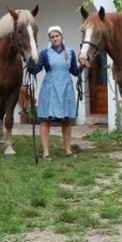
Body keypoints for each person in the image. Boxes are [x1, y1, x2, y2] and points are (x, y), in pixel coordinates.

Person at [30, 26, 79, 161]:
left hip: (66, 88)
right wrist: (30, 64)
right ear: (50, 39)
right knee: (45, 120)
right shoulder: (45, 53)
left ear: (61, 36)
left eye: (57, 36)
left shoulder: (70, 52)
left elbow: (75, 71)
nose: (55, 39)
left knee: (67, 120)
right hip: (50, 87)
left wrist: (84, 65)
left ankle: (68, 150)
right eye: (52, 37)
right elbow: (36, 69)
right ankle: (46, 152)